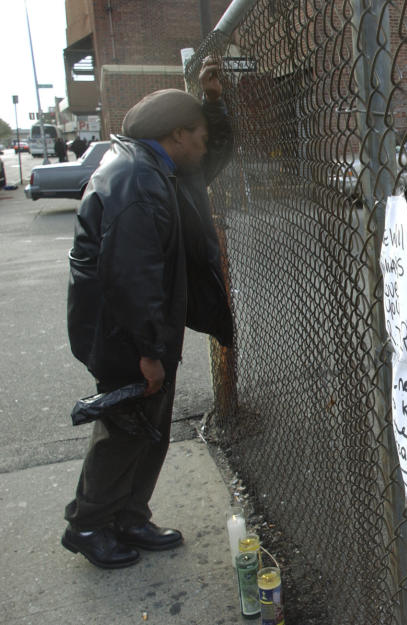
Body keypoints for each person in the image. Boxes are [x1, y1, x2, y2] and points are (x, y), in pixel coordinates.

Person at [62, 58, 234, 569]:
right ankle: (89, 524)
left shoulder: (157, 166)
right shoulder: (137, 180)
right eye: (200, 135)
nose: (204, 147)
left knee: (148, 426)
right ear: (177, 135)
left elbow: (214, 156)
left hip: (141, 333)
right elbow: (131, 278)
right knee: (127, 428)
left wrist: (214, 105)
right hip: (126, 337)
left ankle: (128, 515)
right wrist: (149, 353)